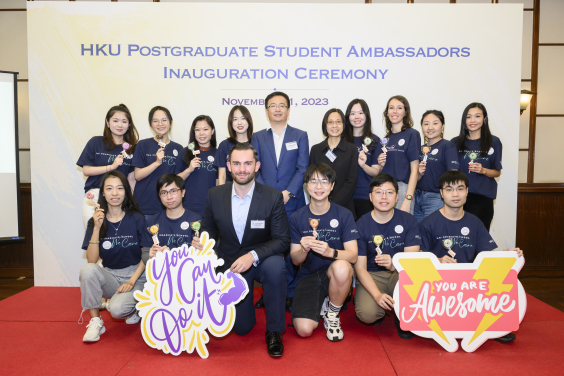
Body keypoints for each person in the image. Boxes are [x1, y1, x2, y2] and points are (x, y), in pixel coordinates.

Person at [191, 143, 290, 357]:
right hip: (229, 264)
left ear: (257, 166)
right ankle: (246, 309)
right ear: (228, 166)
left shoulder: (272, 197)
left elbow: (283, 240)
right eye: (236, 163)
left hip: (261, 259)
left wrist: (252, 256)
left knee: (277, 266)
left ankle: (274, 331)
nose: (242, 169)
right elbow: (208, 231)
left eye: (247, 163)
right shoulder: (215, 194)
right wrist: (201, 242)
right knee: (242, 328)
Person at [419, 170, 523, 343]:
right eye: (449, 189)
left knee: (498, 278)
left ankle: (494, 325)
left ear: (467, 191)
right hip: (438, 285)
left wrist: (506, 256)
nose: (455, 194)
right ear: (441, 193)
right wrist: (437, 261)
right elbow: (418, 259)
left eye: (460, 189)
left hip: (468, 284)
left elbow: (487, 256)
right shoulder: (428, 223)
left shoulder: (474, 222)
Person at [252, 91, 309, 312]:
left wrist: (288, 193)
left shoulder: (300, 135)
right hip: (265, 203)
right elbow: (255, 168)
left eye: (282, 105)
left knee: (293, 248)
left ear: (288, 109)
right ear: (266, 111)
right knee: (269, 248)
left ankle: (291, 293)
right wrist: (271, 196)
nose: (277, 109)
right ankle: (269, 292)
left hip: (292, 202)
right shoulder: (258, 137)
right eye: (273, 105)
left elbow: (302, 167)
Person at [289, 163, 358, 342]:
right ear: (306, 185)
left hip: (336, 275)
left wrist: (331, 252)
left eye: (324, 182)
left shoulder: (344, 215)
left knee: (342, 267)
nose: (319, 187)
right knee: (303, 330)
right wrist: (303, 250)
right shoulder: (297, 217)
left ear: (332, 186)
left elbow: (353, 255)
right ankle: (325, 302)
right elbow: (295, 260)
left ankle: (333, 314)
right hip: (308, 275)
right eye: (313, 182)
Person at [79, 171, 146, 342]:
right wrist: (96, 228)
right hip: (110, 275)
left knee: (117, 310)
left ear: (126, 192)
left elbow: (146, 255)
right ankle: (95, 321)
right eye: (109, 188)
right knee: (87, 271)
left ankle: (133, 308)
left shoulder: (137, 218)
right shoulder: (95, 221)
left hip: (137, 276)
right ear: (103, 193)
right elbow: (92, 261)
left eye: (119, 188)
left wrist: (131, 281)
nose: (115, 193)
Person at [354, 173, 421, 340]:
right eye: (379, 192)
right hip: (372, 275)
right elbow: (360, 268)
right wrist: (376, 295)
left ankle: (402, 317)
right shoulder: (361, 224)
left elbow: (412, 263)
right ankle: (380, 307)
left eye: (389, 192)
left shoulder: (409, 221)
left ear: (397, 197)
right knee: (367, 314)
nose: (384, 197)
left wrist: (393, 265)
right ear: (370, 197)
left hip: (399, 273)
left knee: (413, 281)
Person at [77, 104, 139, 228]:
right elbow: (86, 170)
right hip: (95, 196)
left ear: (129, 125)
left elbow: (131, 179)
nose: (120, 125)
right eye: (115, 121)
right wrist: (111, 166)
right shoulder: (96, 142)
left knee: (116, 238)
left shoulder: (132, 149)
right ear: (108, 122)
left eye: (124, 121)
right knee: (93, 237)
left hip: (119, 199)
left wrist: (131, 203)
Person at [451, 102, 502, 231]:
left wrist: (483, 170)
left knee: (479, 238)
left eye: (477, 116)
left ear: (484, 119)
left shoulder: (494, 142)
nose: (472, 120)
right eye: (468, 117)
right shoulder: (455, 142)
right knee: (457, 236)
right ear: (464, 120)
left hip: (483, 198)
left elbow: (497, 172)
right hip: (458, 197)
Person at [132, 106, 183, 218]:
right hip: (145, 206)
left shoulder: (179, 149)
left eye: (164, 120)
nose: (160, 124)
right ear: (151, 124)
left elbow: (178, 179)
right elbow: (137, 175)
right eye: (155, 121)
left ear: (171, 123)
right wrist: (156, 163)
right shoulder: (143, 145)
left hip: (169, 206)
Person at [140, 174, 202, 265]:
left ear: (183, 192)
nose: (169, 197)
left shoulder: (196, 221)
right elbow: (145, 255)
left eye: (173, 191)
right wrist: (151, 255)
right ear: (159, 196)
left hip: (188, 273)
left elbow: (204, 255)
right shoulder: (151, 222)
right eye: (164, 193)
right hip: (161, 274)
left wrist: (173, 255)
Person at [309, 108, 359, 219]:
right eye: (330, 122)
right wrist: (321, 203)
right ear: (325, 125)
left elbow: (351, 181)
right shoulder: (316, 149)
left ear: (344, 125)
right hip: (319, 207)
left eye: (338, 122)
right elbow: (311, 180)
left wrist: (333, 205)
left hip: (344, 208)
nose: (334, 126)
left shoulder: (351, 149)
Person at [377, 96, 420, 214]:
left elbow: (415, 171)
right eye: (391, 108)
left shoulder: (412, 134)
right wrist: (381, 165)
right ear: (387, 113)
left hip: (403, 189)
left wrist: (408, 199)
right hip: (384, 189)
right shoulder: (385, 140)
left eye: (399, 108)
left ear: (405, 112)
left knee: (402, 229)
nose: (394, 111)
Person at [414, 110, 459, 222]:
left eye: (435, 123)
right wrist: (418, 173)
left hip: (435, 198)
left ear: (442, 126)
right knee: (418, 235)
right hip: (416, 197)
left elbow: (453, 174)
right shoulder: (420, 149)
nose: (430, 127)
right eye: (426, 123)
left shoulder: (447, 146)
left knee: (433, 233)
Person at [344, 99, 382, 219]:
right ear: (348, 116)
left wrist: (363, 165)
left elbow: (376, 172)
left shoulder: (374, 141)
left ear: (366, 115)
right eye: (352, 113)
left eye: (360, 113)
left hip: (366, 197)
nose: (356, 116)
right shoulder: (341, 140)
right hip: (345, 197)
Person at [177, 115, 218, 218]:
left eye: (205, 129)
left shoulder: (218, 154)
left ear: (212, 131)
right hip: (187, 208)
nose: (201, 133)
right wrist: (189, 169)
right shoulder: (185, 152)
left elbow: (219, 182)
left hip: (210, 208)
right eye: (197, 130)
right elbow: (175, 181)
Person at [215, 105, 254, 185]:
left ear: (249, 121)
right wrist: (222, 196)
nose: (239, 123)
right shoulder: (224, 145)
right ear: (231, 123)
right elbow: (222, 176)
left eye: (243, 118)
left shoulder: (257, 142)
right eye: (235, 119)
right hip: (229, 191)